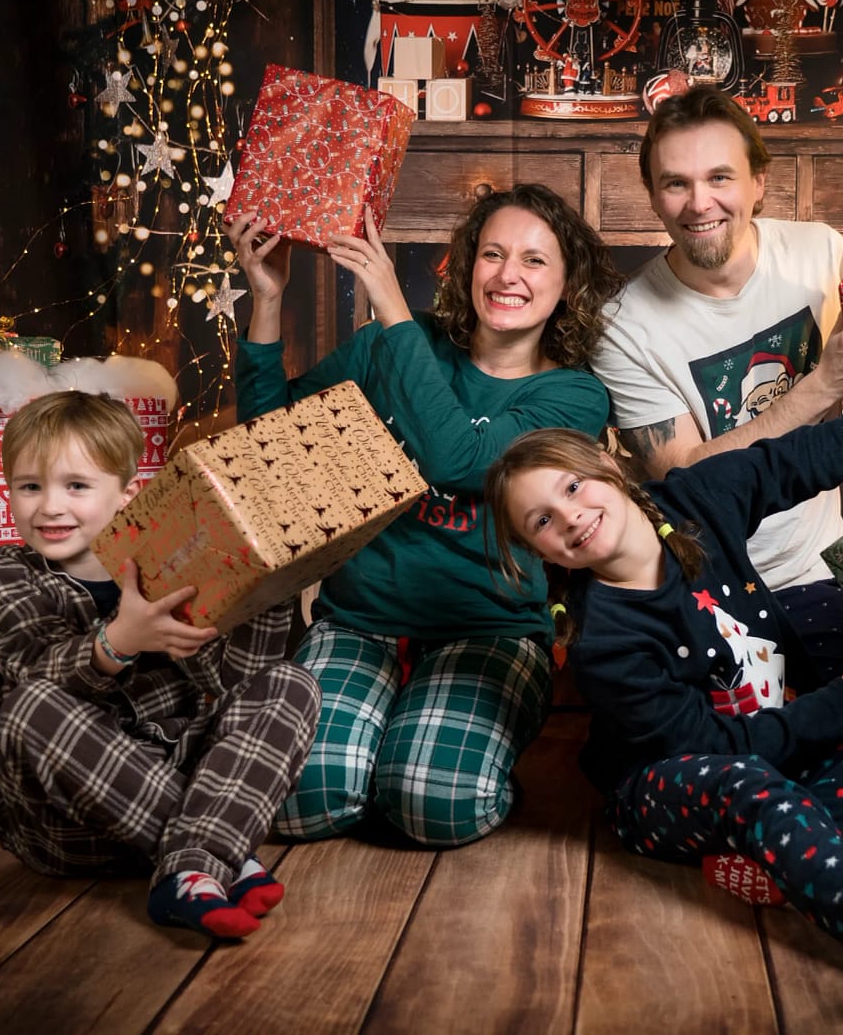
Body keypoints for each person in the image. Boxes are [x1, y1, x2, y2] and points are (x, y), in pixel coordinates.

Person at [483, 367, 843, 1014]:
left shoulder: (697, 501)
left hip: (783, 751)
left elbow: (835, 447)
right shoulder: (604, 644)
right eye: (541, 519)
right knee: (743, 784)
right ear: (538, 550)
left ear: (605, 462)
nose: (571, 515)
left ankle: (771, 851)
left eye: (572, 485)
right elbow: (719, 747)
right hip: (674, 790)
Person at [224, 183, 624, 847]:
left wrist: (388, 306)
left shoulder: (573, 396)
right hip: (361, 622)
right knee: (297, 800)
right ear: (468, 265)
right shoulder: (398, 344)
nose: (506, 276)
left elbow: (461, 462)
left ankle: (429, 760)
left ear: (567, 283)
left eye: (533, 260)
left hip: (487, 630)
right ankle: (382, 746)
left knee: (430, 803)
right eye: (491, 254)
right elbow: (271, 445)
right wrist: (267, 300)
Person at [590, 83, 843, 681]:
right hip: (705, 590)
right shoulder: (623, 326)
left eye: (720, 178)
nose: (698, 203)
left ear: (760, 182)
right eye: (676, 183)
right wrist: (822, 383)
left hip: (813, 574)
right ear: (653, 197)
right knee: (747, 750)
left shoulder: (819, 255)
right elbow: (688, 482)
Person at [0, 390, 321, 942]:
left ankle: (191, 867)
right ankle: (214, 855)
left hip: (174, 780)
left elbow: (233, 684)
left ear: (128, 496)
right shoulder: (9, 573)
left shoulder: (169, 564)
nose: (49, 506)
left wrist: (259, 587)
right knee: (30, 701)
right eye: (29, 486)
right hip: (61, 820)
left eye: (76, 486)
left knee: (290, 684)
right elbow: (31, 667)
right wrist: (120, 640)